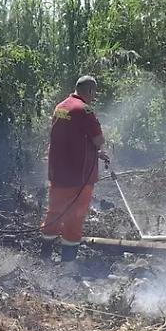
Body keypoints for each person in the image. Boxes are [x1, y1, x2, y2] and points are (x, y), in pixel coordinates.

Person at [40, 75, 108, 262]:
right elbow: (98, 140)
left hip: (58, 172)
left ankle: (44, 257)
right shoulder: (84, 110)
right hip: (79, 176)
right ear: (90, 91)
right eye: (94, 93)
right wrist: (99, 149)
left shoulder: (60, 107)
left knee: (54, 213)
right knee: (74, 218)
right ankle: (67, 266)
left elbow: (71, 136)